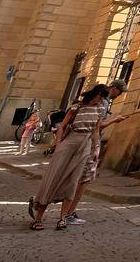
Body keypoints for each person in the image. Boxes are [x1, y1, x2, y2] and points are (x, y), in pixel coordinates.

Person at [28, 85, 109, 230]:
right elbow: (62, 126)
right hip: (70, 143)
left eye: (103, 97)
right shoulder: (77, 107)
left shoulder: (99, 110)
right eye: (101, 96)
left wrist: (97, 149)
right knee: (53, 178)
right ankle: (38, 218)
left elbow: (96, 131)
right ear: (95, 93)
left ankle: (62, 218)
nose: (101, 100)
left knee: (73, 181)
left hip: (85, 145)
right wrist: (58, 145)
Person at [65, 83, 129, 225]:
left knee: (72, 176)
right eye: (119, 93)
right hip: (89, 143)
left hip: (77, 142)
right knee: (83, 179)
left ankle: (50, 205)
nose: (118, 96)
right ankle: (68, 213)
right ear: (114, 89)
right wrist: (114, 120)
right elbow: (98, 126)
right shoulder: (103, 103)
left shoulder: (84, 103)